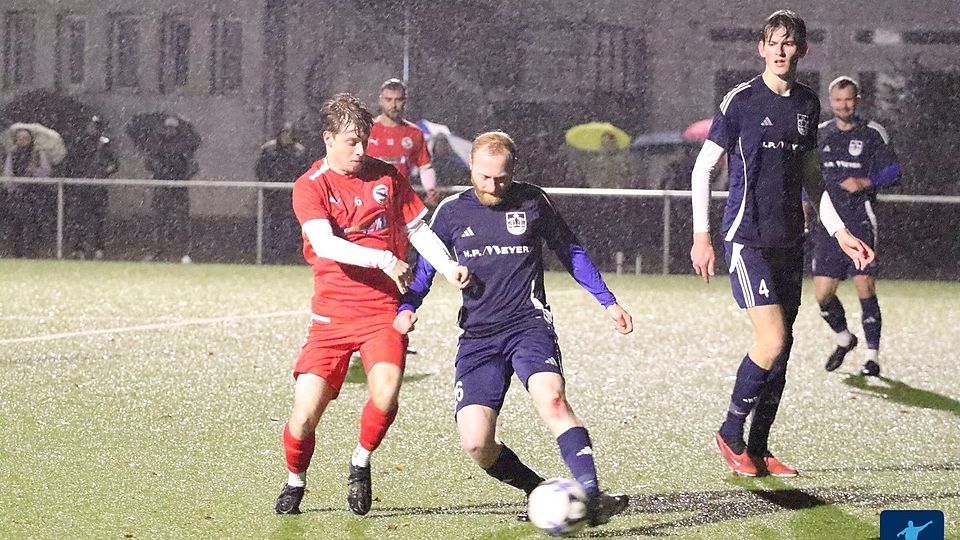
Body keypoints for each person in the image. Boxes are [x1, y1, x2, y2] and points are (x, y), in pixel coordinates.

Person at [393, 131, 632, 527]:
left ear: (513, 170)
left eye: (501, 178)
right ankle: (538, 491)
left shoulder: (532, 201)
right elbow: (425, 268)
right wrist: (407, 307)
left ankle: (591, 497)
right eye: (484, 177)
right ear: (471, 167)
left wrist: (607, 300)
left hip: (527, 324)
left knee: (552, 399)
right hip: (478, 337)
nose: (492, 186)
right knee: (476, 443)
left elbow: (569, 250)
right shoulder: (451, 212)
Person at [689, 10, 875, 478]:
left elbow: (813, 179)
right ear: (761, 48)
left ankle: (759, 447)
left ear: (802, 50)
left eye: (789, 43)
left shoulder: (808, 104)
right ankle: (730, 432)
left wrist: (840, 232)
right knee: (770, 340)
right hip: (746, 239)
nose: (780, 50)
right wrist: (701, 235)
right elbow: (703, 168)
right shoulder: (741, 100)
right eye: (772, 42)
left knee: (783, 347)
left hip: (791, 242)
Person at [274, 93, 470, 516]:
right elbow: (325, 244)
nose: (361, 150)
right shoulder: (310, 185)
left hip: (382, 310)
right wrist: (383, 258)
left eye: (365, 140)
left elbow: (417, 230)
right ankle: (295, 480)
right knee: (303, 417)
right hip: (330, 316)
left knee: (386, 393)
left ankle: (360, 462)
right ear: (328, 139)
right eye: (352, 142)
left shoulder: (387, 176)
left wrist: (448, 266)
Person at [812, 76, 900, 377]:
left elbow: (894, 171)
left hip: (860, 219)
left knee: (865, 285)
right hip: (828, 224)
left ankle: (872, 358)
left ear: (857, 99)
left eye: (848, 99)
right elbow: (808, 176)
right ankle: (844, 338)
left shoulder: (873, 133)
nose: (843, 105)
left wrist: (866, 181)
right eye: (838, 100)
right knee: (822, 295)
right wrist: (802, 205)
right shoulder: (821, 134)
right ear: (830, 101)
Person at [367, 78, 438, 205]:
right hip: (368, 199)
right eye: (388, 99)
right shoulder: (367, 129)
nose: (393, 105)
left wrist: (430, 188)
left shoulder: (414, 133)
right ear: (380, 100)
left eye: (398, 100)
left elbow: (425, 166)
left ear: (405, 100)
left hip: (400, 200)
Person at [64, 116, 119, 260]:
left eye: (94, 126)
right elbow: (71, 162)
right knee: (79, 218)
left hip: (98, 187)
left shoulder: (104, 143)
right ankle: (79, 248)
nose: (91, 128)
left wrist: (104, 171)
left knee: (98, 219)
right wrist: (79, 174)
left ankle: (99, 248)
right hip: (82, 186)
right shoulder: (79, 142)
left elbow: (114, 163)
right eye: (90, 125)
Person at [255, 122, 311, 264]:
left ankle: (288, 255)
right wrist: (270, 187)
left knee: (292, 226)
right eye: (284, 133)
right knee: (273, 225)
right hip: (273, 196)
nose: (286, 137)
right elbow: (261, 169)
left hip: (292, 196)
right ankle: (272, 255)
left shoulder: (299, 151)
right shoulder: (269, 149)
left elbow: (304, 172)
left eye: (289, 133)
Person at [145, 116, 197, 264]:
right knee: (159, 220)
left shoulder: (183, 145)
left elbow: (192, 165)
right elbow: (149, 162)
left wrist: (182, 178)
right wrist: (159, 171)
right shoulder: (158, 144)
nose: (169, 131)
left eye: (172, 129)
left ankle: (184, 253)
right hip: (162, 187)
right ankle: (158, 251)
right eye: (167, 128)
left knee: (182, 221)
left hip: (179, 189)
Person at [3, 128, 53, 258]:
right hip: (18, 195)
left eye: (25, 138)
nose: (22, 141)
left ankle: (31, 251)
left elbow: (46, 172)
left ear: (31, 140)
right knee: (16, 224)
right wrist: (13, 186)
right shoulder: (12, 154)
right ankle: (17, 252)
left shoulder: (38, 154)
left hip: (35, 195)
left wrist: (34, 171)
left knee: (32, 223)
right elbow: (7, 173)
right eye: (20, 138)